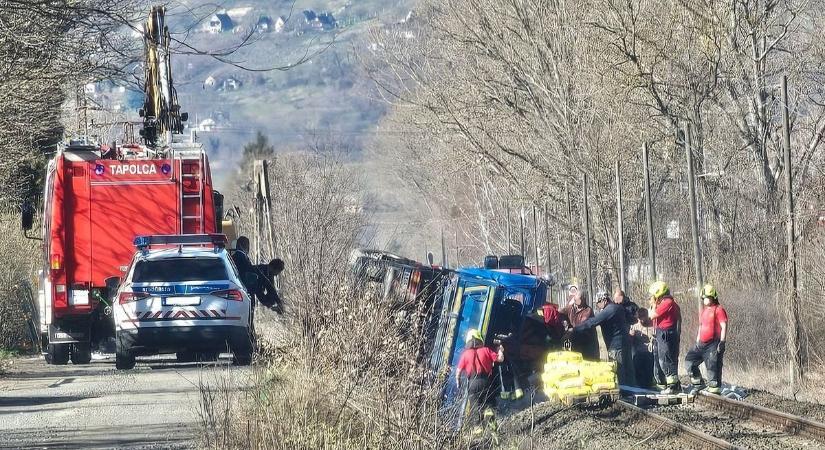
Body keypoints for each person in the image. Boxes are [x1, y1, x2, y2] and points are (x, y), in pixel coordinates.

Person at [566, 291, 634, 386]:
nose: (597, 305)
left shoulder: (609, 310)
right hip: (625, 342)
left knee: (619, 372)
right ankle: (634, 394)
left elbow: (593, 322)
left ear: (604, 300)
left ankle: (624, 396)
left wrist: (574, 330)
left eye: (598, 303)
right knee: (629, 372)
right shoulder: (619, 308)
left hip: (615, 346)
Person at [455, 329, 504, 431]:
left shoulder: (465, 354)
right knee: (489, 403)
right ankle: (492, 422)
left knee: (475, 409)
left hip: (472, 384)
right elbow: (500, 359)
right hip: (486, 382)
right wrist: (500, 351)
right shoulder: (486, 350)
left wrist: (458, 383)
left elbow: (458, 372)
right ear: (479, 339)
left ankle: (478, 430)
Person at [685, 284, 729, 394]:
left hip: (713, 344)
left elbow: (724, 325)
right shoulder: (704, 310)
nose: (705, 299)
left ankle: (714, 389)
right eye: (704, 298)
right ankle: (698, 383)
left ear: (713, 297)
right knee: (689, 361)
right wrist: (698, 340)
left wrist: (722, 342)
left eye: (707, 297)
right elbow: (701, 326)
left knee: (712, 366)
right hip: (701, 344)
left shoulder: (719, 310)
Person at [647, 281, 682, 394]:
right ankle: (666, 384)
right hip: (661, 333)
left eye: (653, 296)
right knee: (660, 359)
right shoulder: (665, 303)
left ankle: (673, 386)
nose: (651, 298)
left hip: (666, 334)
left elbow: (652, 315)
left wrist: (653, 305)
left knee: (666, 360)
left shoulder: (667, 302)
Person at [560, 289, 599, 360]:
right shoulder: (571, 308)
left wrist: (571, 331)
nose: (576, 301)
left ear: (583, 299)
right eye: (575, 299)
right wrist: (565, 321)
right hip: (576, 342)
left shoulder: (588, 311)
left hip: (587, 343)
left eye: (578, 299)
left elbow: (582, 325)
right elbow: (561, 313)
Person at [630, 308, 655, 388]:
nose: (642, 320)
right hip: (638, 354)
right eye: (640, 318)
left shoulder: (653, 326)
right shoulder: (634, 327)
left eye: (643, 317)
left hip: (650, 354)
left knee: (648, 374)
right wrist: (631, 336)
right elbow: (630, 342)